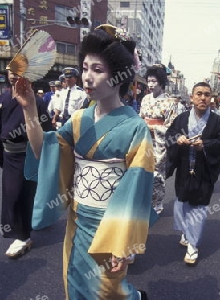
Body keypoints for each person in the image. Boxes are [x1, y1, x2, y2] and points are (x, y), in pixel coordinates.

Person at [14, 25, 153, 300]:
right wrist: (29, 107)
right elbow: (45, 151)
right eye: (85, 68)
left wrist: (124, 244)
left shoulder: (136, 128)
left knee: (108, 290)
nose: (87, 78)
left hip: (111, 225)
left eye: (98, 70)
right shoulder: (78, 120)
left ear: (118, 76)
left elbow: (137, 191)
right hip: (77, 221)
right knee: (74, 283)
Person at [0, 70, 53, 258]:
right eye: (10, 72)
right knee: (10, 195)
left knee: (22, 195)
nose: (12, 75)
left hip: (27, 155)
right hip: (8, 155)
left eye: (17, 72)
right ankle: (19, 230)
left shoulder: (37, 102)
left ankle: (23, 236)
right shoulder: (4, 98)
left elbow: (46, 130)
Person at [165, 82, 220, 265]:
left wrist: (206, 146)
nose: (203, 98)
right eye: (199, 94)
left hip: (204, 170)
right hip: (185, 168)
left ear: (211, 98)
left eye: (207, 95)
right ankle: (187, 232)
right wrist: (177, 139)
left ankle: (193, 245)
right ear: (192, 97)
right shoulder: (182, 118)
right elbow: (169, 134)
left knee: (199, 207)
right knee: (182, 204)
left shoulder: (217, 122)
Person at [139, 64, 171, 214]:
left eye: (154, 81)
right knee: (142, 169)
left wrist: (154, 128)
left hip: (159, 143)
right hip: (144, 140)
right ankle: (143, 200)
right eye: (149, 81)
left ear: (161, 82)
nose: (150, 85)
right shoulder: (145, 99)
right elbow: (140, 119)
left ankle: (157, 203)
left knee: (157, 173)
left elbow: (171, 126)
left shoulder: (170, 102)